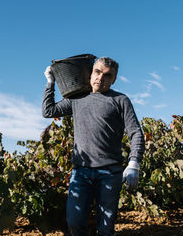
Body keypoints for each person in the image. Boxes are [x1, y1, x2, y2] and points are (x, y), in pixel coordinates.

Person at [42, 57, 145, 236]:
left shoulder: (120, 100)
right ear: (90, 73)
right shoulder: (76, 98)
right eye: (97, 72)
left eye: (107, 75)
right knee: (74, 222)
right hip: (81, 172)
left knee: (105, 228)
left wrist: (134, 162)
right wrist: (50, 83)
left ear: (113, 79)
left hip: (110, 173)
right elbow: (48, 111)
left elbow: (135, 132)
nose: (100, 78)